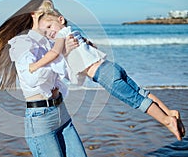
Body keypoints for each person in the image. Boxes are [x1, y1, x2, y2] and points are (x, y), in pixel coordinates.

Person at [29, 11, 185, 141]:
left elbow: (54, 53)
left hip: (104, 75)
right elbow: (88, 48)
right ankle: (169, 112)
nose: (49, 32)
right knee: (141, 92)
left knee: (137, 100)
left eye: (50, 26)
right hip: (111, 67)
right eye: (46, 32)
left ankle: (167, 121)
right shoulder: (74, 33)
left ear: (61, 20)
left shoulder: (62, 36)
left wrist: (35, 65)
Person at [0, 0, 90, 157]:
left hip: (62, 112)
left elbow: (73, 78)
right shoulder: (21, 42)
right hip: (40, 117)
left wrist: (79, 54)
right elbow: (32, 79)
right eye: (46, 12)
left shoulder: (52, 43)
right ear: (34, 14)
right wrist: (58, 55)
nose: (50, 15)